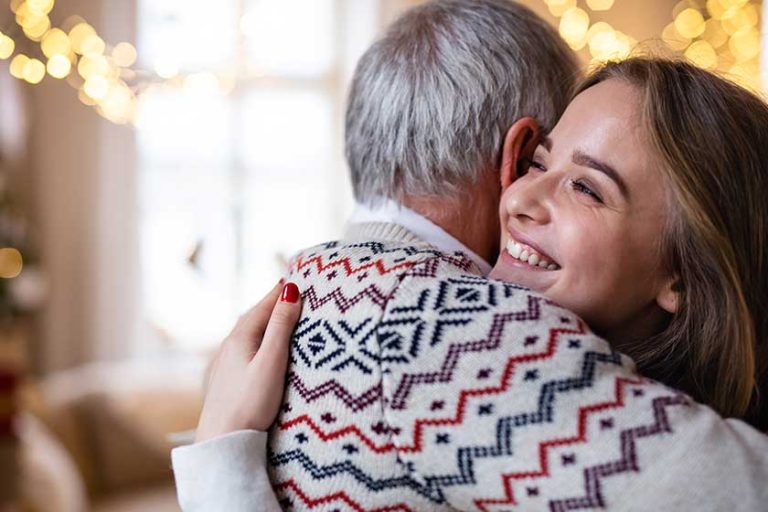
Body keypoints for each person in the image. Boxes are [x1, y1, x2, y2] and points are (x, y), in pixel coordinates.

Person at [172, 8, 768, 512]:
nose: (523, 200)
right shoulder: (456, 331)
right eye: (538, 163)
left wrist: (218, 468)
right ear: (515, 153)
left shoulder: (311, 294)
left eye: (587, 187)